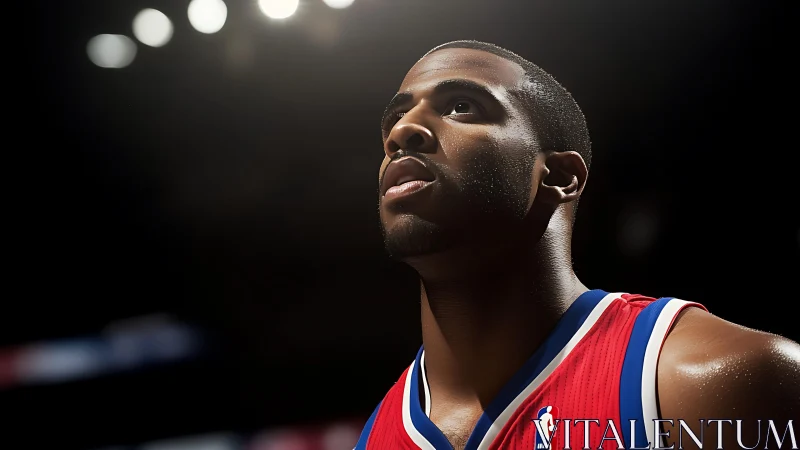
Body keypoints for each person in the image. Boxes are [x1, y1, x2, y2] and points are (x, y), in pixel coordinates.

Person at [354, 40, 800, 450]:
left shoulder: (721, 381)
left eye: (461, 107)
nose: (402, 133)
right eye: (395, 119)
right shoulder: (374, 439)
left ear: (560, 176)